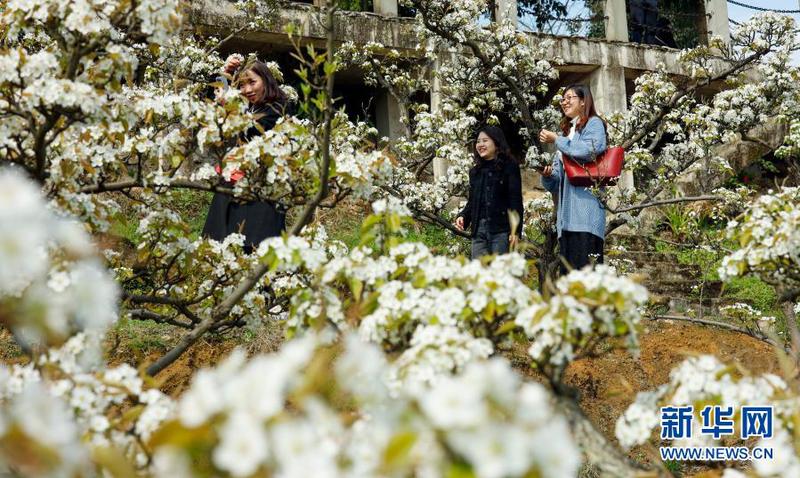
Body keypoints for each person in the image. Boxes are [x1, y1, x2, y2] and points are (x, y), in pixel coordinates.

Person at [202, 56, 290, 253]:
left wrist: (230, 105)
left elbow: (256, 129)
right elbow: (210, 104)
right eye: (242, 85)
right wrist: (226, 73)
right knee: (220, 244)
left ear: (266, 80)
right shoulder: (247, 107)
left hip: (264, 188)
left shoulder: (280, 107)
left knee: (258, 247)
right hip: (234, 182)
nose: (247, 90)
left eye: (252, 82)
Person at [538, 84, 608, 274]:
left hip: (586, 217)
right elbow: (556, 183)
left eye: (570, 97)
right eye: (563, 99)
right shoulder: (567, 134)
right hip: (566, 222)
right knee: (570, 282)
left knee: (586, 282)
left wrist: (557, 141)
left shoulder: (594, 124)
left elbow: (588, 150)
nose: (565, 102)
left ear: (584, 101)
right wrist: (547, 174)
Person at [454, 125, 523, 259]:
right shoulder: (475, 172)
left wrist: (516, 231)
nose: (480, 144)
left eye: (485, 140)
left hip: (501, 231)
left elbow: (515, 201)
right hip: (479, 231)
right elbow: (473, 201)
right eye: (478, 141)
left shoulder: (510, 166)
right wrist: (463, 216)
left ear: (496, 143)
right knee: (479, 275)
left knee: (500, 274)